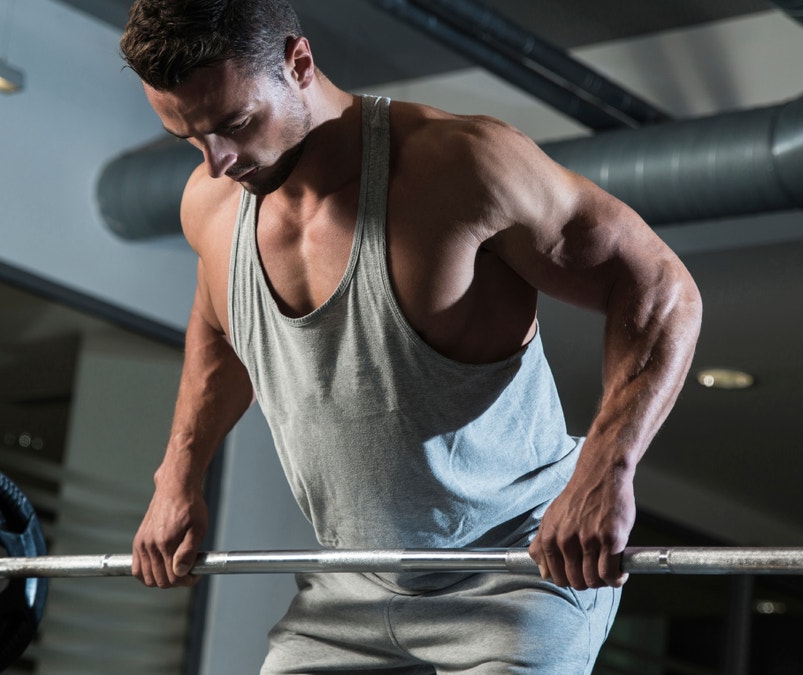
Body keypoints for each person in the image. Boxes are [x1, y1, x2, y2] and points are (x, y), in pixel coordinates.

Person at [122, 0, 701, 671]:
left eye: (237, 124)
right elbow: (221, 331)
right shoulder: (213, 205)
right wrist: (178, 474)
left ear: (299, 63)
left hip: (522, 567)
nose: (219, 161)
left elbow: (660, 287)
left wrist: (608, 466)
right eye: (189, 138)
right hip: (350, 583)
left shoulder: (459, 168)